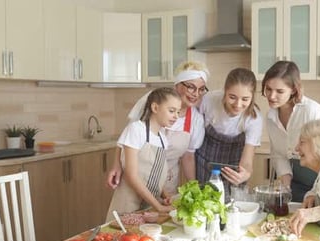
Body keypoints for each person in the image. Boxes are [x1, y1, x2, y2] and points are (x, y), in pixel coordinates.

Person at [106, 61, 209, 197]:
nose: (196, 94)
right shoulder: (154, 100)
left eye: (201, 89)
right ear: (177, 85)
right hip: (137, 178)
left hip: (167, 183)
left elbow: (188, 157)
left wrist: (194, 187)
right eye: (191, 87)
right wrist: (116, 164)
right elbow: (128, 136)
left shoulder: (196, 119)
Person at [105, 87, 180, 220]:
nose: (176, 116)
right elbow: (131, 175)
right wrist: (158, 206)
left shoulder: (163, 139)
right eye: (172, 111)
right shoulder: (136, 130)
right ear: (155, 108)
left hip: (149, 206)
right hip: (128, 205)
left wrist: (165, 195)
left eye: (178, 112)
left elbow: (154, 176)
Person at [262, 61, 320, 202]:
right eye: (268, 89)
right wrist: (286, 187)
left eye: (279, 91)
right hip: (296, 182)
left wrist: (315, 191)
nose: (271, 96)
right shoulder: (271, 117)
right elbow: (279, 154)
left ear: (293, 89)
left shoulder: (313, 112)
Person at [196, 68, 263, 202]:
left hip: (234, 163)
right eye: (232, 97)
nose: (238, 105)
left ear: (252, 97)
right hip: (205, 159)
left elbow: (248, 158)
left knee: (232, 204)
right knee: (203, 201)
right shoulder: (209, 100)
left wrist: (245, 173)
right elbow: (193, 126)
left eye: (245, 99)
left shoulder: (254, 118)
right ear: (224, 91)